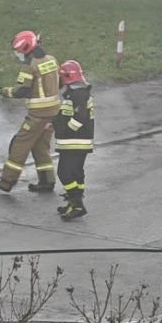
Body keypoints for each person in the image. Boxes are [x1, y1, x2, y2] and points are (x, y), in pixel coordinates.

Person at [0, 31, 60, 194]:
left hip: (38, 115)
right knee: (41, 147)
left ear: (27, 49)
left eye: (19, 51)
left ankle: (7, 181)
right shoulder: (51, 60)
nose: (18, 54)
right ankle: (47, 181)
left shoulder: (29, 66)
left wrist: (4, 92)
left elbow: (22, 91)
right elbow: (58, 82)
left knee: (20, 144)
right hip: (54, 112)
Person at [54, 59, 94, 220]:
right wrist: (53, 123)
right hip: (79, 142)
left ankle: (77, 204)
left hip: (74, 142)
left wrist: (66, 130)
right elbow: (67, 113)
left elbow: (80, 117)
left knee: (64, 173)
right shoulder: (79, 92)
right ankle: (74, 201)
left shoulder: (77, 94)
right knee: (77, 173)